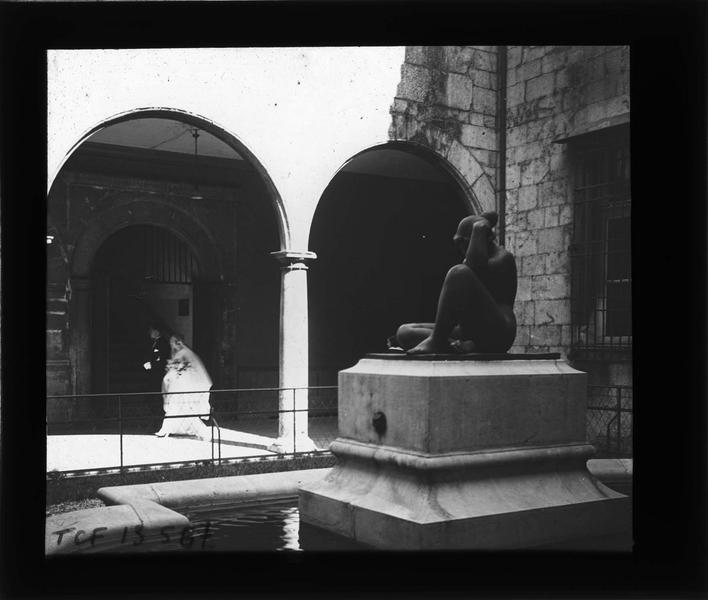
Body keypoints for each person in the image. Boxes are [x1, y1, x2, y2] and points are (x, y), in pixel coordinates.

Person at [391, 211, 517, 355]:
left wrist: (479, 229)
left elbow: (473, 267)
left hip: (498, 332)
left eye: (465, 243)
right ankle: (457, 345)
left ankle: (438, 341)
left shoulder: (503, 259)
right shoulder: (472, 262)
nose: (462, 250)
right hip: (470, 331)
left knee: (458, 272)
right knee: (404, 332)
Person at [154, 334, 213, 439]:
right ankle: (168, 429)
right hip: (178, 385)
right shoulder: (179, 353)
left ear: (177, 342)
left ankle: (191, 428)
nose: (171, 344)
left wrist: (175, 369)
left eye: (172, 342)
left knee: (182, 406)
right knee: (175, 406)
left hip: (183, 386)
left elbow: (189, 369)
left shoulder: (184, 353)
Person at [143, 324, 171, 391]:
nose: (150, 333)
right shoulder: (153, 342)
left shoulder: (163, 342)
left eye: (151, 331)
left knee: (156, 388)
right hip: (152, 371)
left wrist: (151, 364)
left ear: (157, 331)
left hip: (158, 371)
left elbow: (163, 358)